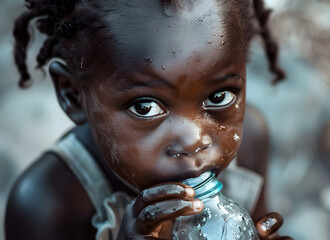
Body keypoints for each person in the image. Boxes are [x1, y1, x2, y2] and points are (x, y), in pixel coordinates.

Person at [5, 0, 292, 239]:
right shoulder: (45, 204)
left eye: (219, 97)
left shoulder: (251, 139)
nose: (193, 141)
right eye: (144, 107)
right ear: (73, 95)